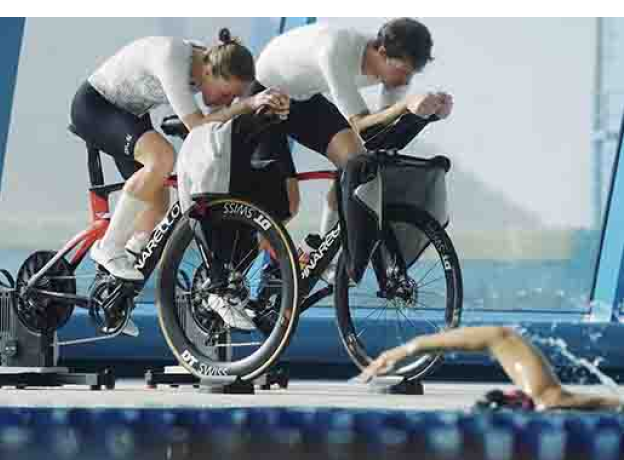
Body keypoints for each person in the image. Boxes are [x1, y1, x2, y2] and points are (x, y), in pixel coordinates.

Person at [71, 28, 289, 283]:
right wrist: (247, 104)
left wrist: (265, 106)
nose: (228, 101)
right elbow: (198, 126)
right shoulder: (172, 59)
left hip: (130, 115)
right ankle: (108, 247)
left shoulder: (210, 65)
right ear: (208, 73)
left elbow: (217, 119)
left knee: (157, 206)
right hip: (96, 106)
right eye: (226, 94)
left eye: (233, 97)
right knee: (162, 157)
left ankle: (118, 282)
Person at [253, 18, 453, 284]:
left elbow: (378, 134)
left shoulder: (394, 73)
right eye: (402, 71)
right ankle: (230, 275)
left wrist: (426, 114)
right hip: (265, 95)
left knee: (356, 163)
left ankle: (321, 256)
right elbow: (360, 124)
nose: (405, 80)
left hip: (302, 98)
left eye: (412, 75)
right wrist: (405, 106)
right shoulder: (337, 50)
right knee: (287, 205)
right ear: (381, 52)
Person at [359, 327, 624, 412]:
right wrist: (407, 349)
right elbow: (500, 337)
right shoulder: (548, 402)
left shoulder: (546, 401)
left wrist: (408, 349)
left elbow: (499, 337)